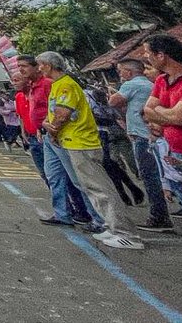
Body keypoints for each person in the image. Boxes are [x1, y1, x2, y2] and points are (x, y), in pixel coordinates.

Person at [38, 51, 139, 248]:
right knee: (93, 188)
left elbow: (62, 114)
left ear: (49, 65)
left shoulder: (66, 84)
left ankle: (126, 233)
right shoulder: (58, 85)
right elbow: (54, 114)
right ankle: (112, 227)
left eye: (41, 64)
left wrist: (52, 131)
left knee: (100, 189)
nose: (40, 68)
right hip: (72, 141)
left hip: (80, 142)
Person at [16, 54, 94, 227]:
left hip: (61, 136)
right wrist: (39, 127)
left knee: (76, 179)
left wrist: (51, 130)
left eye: (25, 66)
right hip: (45, 135)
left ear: (43, 66)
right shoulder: (34, 87)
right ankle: (62, 213)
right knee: (53, 176)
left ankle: (95, 217)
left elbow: (61, 112)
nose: (20, 70)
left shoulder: (50, 84)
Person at [142, 35, 182, 223]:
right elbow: (147, 111)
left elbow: (180, 117)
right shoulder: (162, 80)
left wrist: (159, 112)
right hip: (171, 150)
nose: (146, 57)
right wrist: (166, 114)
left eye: (148, 52)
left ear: (161, 55)